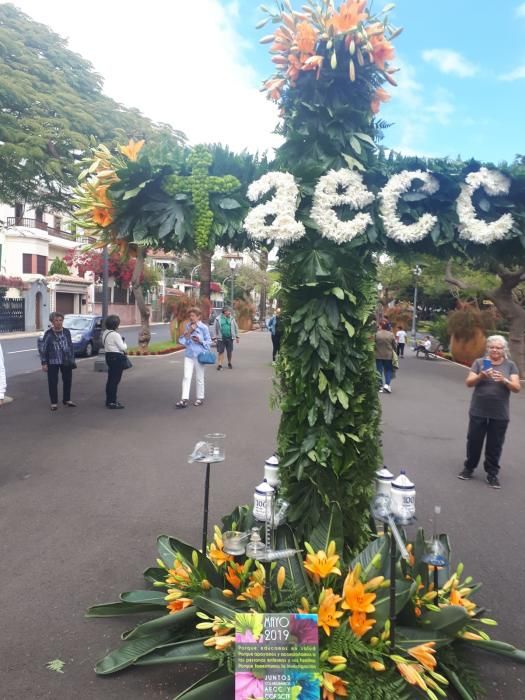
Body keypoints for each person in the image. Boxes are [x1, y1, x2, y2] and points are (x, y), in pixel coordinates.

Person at [458, 335, 520, 488]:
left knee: (495, 444)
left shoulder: (510, 365)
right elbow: (468, 383)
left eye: (498, 347)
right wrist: (481, 376)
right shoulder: (480, 363)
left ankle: (492, 474)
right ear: (488, 348)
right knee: (474, 441)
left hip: (500, 413)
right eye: (492, 347)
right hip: (478, 410)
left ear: (503, 349)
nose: (495, 350)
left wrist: (504, 380)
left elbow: (517, 388)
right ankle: (469, 468)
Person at [39, 311, 77, 411]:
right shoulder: (48, 334)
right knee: (53, 382)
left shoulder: (66, 332)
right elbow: (43, 349)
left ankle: (67, 400)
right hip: (52, 361)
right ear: (52, 321)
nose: (59, 322)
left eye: (60, 320)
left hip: (66, 360)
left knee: (68, 380)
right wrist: (44, 363)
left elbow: (70, 346)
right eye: (56, 320)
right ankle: (54, 403)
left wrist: (72, 359)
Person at [176, 307, 211, 408]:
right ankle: (184, 399)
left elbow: (209, 342)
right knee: (186, 377)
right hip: (189, 354)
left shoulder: (204, 327)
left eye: (193, 316)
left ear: (198, 316)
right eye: (190, 316)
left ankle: (200, 397)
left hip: (199, 355)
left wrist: (200, 341)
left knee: (199, 377)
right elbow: (183, 341)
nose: (191, 318)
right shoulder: (188, 326)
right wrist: (188, 334)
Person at [103, 315, 127, 409]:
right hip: (117, 357)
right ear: (116, 324)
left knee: (110, 380)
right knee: (115, 381)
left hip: (108, 356)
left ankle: (109, 400)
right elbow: (123, 347)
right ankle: (112, 402)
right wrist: (124, 342)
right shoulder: (115, 334)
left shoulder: (105, 332)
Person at [374, 320, 397, 394]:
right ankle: (387, 385)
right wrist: (395, 351)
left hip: (378, 355)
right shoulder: (391, 334)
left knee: (379, 370)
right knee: (388, 370)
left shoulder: (377, 334)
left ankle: (380, 386)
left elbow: (373, 344)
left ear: (381, 326)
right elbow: (394, 345)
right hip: (388, 356)